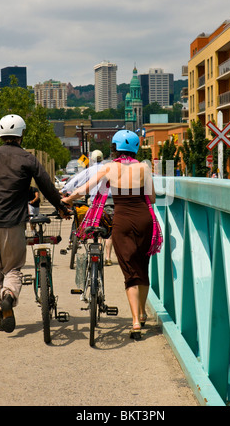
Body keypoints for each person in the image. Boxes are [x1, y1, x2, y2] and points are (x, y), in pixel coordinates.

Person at [62, 130, 162, 339]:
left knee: (129, 270)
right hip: (144, 220)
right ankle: (143, 314)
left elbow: (85, 188)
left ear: (115, 148)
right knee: (143, 267)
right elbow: (151, 198)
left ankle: (135, 322)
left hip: (122, 221)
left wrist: (67, 200)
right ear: (135, 148)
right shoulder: (144, 167)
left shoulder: (109, 167)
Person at [0, 114, 70, 333]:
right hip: (13, 223)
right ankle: (9, 296)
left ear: (1, 133)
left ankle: (2, 312)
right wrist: (60, 206)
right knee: (12, 269)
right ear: (21, 134)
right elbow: (46, 185)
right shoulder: (28, 158)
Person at [61, 149, 114, 265]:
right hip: (110, 202)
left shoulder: (90, 170)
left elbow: (76, 181)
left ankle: (96, 251)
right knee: (109, 230)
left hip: (95, 202)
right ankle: (108, 257)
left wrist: (64, 191)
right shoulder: (109, 169)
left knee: (96, 224)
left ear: (92, 159)